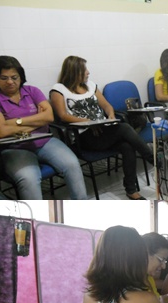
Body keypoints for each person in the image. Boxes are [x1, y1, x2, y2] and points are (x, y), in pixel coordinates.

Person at [50, 55, 154, 200]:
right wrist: (88, 122)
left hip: (103, 131)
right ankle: (153, 159)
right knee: (124, 128)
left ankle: (131, 190)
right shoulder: (59, 90)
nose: (88, 72)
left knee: (127, 146)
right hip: (83, 136)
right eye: (84, 70)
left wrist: (110, 115)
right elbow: (63, 116)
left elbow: (106, 105)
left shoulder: (90, 86)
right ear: (74, 71)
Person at [0, 55, 87, 200]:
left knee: (72, 164)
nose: (10, 82)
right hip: (15, 149)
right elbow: (2, 131)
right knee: (29, 179)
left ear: (21, 77)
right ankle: (36, 215)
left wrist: (14, 122)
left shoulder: (32, 91)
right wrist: (38, 121)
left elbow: (49, 117)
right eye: (3, 78)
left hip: (45, 141)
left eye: (14, 77)